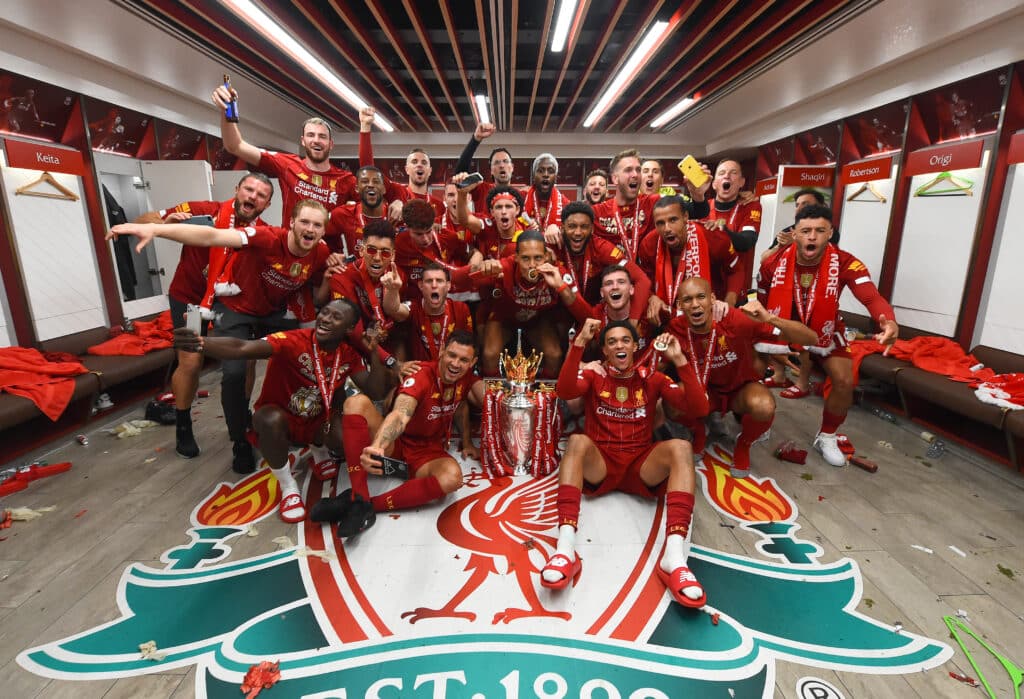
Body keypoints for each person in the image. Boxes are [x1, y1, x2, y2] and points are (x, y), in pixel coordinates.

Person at [108, 199, 335, 473]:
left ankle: (285, 423)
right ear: (292, 222)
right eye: (305, 222)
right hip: (210, 302)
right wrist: (155, 229)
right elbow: (211, 236)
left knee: (297, 358)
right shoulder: (253, 231)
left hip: (268, 310)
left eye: (317, 224)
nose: (310, 228)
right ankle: (219, 435)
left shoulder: (317, 250)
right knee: (218, 368)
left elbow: (318, 288)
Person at [541, 318, 710, 610]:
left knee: (681, 448)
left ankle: (674, 558)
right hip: (601, 464)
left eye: (625, 340)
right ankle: (565, 549)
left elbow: (700, 408)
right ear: (605, 351)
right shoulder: (594, 375)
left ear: (635, 346)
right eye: (611, 342)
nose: (619, 345)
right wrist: (579, 344)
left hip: (640, 467)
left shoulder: (653, 378)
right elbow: (565, 391)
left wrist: (680, 360)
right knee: (577, 442)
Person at [173, 299, 393, 523]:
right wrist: (202, 343)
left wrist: (374, 353)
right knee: (269, 420)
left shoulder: (348, 354)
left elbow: (375, 391)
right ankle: (288, 486)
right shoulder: (293, 340)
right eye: (325, 312)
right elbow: (241, 347)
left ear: (349, 328)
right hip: (282, 419)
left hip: (318, 420)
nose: (326, 319)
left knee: (344, 438)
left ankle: (319, 450)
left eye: (336, 317)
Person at [757, 205, 898, 466]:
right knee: (752, 368)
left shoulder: (846, 262)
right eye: (806, 231)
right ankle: (757, 422)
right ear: (795, 234)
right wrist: (763, 334)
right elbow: (763, 297)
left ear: (830, 233)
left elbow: (870, 296)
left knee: (844, 380)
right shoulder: (772, 262)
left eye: (820, 230)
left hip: (826, 329)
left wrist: (887, 320)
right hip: (783, 325)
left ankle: (827, 436)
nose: (812, 236)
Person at [145, 173, 274, 458]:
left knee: (244, 360)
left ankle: (240, 417)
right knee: (191, 362)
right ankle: (183, 424)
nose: (252, 197)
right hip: (192, 301)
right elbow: (146, 219)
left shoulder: (263, 233)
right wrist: (163, 225)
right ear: (237, 190)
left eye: (261, 195)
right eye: (249, 189)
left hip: (232, 304)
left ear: (266, 205)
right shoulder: (201, 211)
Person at [315, 331, 485, 537]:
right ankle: (359, 495)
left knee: (452, 479)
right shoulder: (421, 375)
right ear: (442, 351)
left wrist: (467, 441)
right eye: (452, 355)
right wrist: (378, 446)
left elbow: (462, 406)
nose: (455, 364)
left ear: (472, 362)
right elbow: (400, 414)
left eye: (464, 360)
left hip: (428, 453)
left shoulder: (466, 379)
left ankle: (364, 505)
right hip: (396, 443)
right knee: (355, 402)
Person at [666, 277, 817, 477]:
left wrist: (770, 318)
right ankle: (699, 431)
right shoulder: (675, 328)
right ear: (679, 305)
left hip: (739, 390)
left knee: (764, 406)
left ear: (713, 299)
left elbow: (811, 338)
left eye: (701, 297)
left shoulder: (736, 320)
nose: (695, 305)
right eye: (687, 300)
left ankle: (743, 444)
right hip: (705, 393)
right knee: (671, 400)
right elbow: (656, 366)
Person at [212, 82, 355, 225]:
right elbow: (235, 146)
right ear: (303, 141)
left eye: (322, 137)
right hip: (289, 240)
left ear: (331, 144)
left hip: (328, 241)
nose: (316, 140)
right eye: (311, 135)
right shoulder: (287, 164)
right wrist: (227, 110)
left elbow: (367, 208)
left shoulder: (345, 179)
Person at [761, 188, 840, 397]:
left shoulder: (828, 231)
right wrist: (780, 246)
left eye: (805, 204)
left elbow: (820, 254)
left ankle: (803, 383)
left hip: (813, 295)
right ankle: (779, 375)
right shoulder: (789, 230)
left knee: (805, 340)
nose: (799, 208)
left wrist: (798, 243)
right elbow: (764, 259)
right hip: (785, 292)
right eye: (797, 205)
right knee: (775, 332)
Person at [472, 231, 579, 378]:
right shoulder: (505, 266)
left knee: (554, 355)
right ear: (516, 257)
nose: (532, 265)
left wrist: (561, 287)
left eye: (538, 258)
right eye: (525, 258)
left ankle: (544, 392)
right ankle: (493, 392)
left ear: (546, 257)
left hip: (537, 320)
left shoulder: (555, 272)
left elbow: (585, 314)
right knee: (490, 354)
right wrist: (481, 269)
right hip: (503, 318)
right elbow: (469, 280)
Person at [639, 195, 741, 326]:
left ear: (685, 217)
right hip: (667, 317)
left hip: (710, 316)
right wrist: (651, 297)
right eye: (660, 223)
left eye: (673, 220)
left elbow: (736, 271)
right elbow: (643, 281)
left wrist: (728, 305)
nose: (667, 228)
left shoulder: (714, 238)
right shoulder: (649, 244)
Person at [592, 149, 711, 259]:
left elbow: (698, 212)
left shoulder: (654, 202)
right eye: (628, 170)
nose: (635, 174)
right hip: (612, 274)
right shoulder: (597, 212)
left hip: (649, 274)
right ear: (615, 179)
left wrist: (698, 195)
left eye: (638, 170)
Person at [555, 200, 651, 320]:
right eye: (572, 226)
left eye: (584, 227)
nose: (578, 232)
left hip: (593, 314)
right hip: (562, 313)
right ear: (562, 228)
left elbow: (643, 280)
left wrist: (633, 321)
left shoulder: (601, 247)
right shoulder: (552, 247)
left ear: (592, 229)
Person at [382, 262, 474, 362]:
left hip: (452, 367)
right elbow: (393, 309)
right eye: (429, 281)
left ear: (448, 286)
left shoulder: (461, 309)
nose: (434, 285)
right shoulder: (414, 307)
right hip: (421, 369)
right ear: (421, 285)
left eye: (439, 281)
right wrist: (393, 290)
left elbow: (468, 346)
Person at [703, 158, 762, 289]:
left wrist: (722, 231)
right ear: (714, 184)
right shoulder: (703, 208)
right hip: (705, 287)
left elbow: (747, 242)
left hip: (737, 289)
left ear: (742, 182)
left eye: (733, 172)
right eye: (722, 173)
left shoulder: (750, 206)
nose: (727, 176)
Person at [454, 174, 526, 260]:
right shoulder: (488, 226)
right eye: (499, 207)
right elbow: (465, 220)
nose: (503, 212)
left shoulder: (526, 230)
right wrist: (462, 194)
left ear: (517, 210)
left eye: (508, 206)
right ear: (492, 212)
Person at [453, 122, 516, 214]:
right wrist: (476, 139)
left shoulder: (521, 195)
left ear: (512, 167)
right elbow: (461, 174)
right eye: (496, 162)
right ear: (491, 170)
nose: (502, 165)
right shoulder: (482, 190)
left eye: (505, 161)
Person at [325, 165, 387, 256]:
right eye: (365, 181)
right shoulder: (341, 214)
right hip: (356, 265)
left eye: (376, 182)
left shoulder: (394, 215)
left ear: (384, 189)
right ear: (356, 188)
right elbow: (320, 242)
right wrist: (331, 256)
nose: (370, 185)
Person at [522, 153, 568, 246]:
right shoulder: (522, 198)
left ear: (556, 177)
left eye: (550, 171)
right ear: (533, 176)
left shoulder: (565, 204)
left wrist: (559, 230)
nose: (546, 175)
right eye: (540, 171)